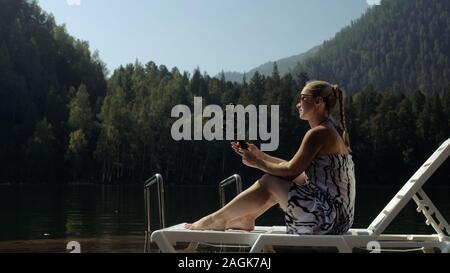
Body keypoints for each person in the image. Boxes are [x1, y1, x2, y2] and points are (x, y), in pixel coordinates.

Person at [185, 80, 356, 235]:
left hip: (328, 219)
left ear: (318, 101)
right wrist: (260, 154)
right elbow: (295, 170)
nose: (298, 104)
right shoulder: (331, 130)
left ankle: (216, 220)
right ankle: (246, 218)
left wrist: (257, 162)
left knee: (270, 181)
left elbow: (289, 171)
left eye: (303, 98)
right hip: (339, 219)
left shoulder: (319, 133)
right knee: (282, 182)